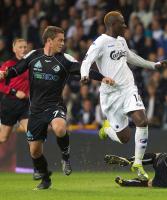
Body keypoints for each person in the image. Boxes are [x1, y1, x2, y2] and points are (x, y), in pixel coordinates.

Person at [0, 26, 113, 190]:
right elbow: (17, 70)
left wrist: (102, 78)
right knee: (35, 151)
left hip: (55, 105)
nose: (63, 43)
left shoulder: (65, 59)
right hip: (36, 110)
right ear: (49, 41)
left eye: (63, 40)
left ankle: (65, 157)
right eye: (60, 40)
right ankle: (45, 179)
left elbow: (84, 68)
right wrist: (5, 74)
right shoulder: (33, 56)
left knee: (60, 128)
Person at [80, 11, 167, 181]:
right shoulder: (100, 43)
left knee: (142, 121)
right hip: (110, 95)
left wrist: (153, 65)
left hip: (128, 89)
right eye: (122, 23)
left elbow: (131, 57)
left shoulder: (121, 41)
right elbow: (86, 61)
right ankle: (107, 129)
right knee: (124, 138)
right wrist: (85, 75)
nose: (126, 26)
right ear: (113, 25)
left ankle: (138, 164)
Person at [0, 38, 42, 180]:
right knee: (3, 137)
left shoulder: (29, 64)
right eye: (20, 47)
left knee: (32, 136)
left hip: (25, 106)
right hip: (9, 105)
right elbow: (0, 85)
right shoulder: (8, 65)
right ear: (14, 49)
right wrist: (14, 92)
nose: (23, 49)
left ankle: (37, 169)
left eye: (25, 47)